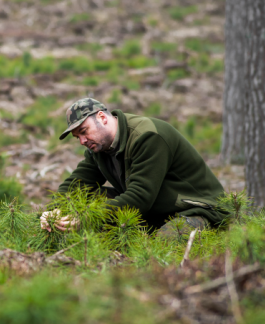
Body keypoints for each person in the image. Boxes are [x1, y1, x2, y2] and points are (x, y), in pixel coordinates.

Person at [40, 98, 229, 236]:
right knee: (84, 197)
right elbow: (75, 184)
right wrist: (53, 211)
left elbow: (140, 197)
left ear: (102, 118)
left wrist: (87, 219)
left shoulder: (147, 136)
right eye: (77, 137)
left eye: (84, 131)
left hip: (196, 209)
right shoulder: (98, 148)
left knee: (167, 242)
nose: (82, 141)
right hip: (156, 211)